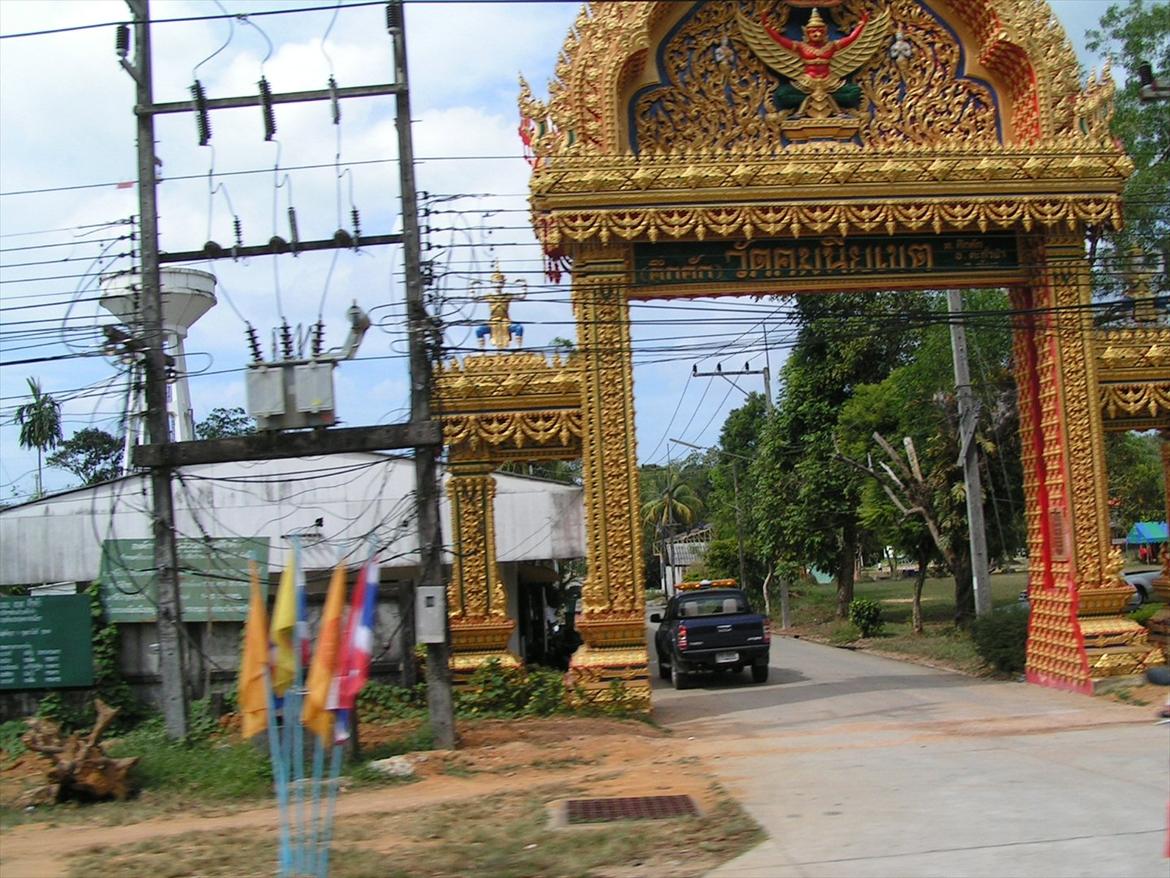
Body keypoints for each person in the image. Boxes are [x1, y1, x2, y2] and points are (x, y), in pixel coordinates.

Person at [761, 7, 871, 89]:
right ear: (807, 33)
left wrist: (862, 24)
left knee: (853, 91)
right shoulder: (801, 47)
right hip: (806, 82)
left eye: (820, 31)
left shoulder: (831, 46)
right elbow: (780, 41)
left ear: (825, 32)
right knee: (783, 95)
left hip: (829, 82)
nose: (817, 34)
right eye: (813, 31)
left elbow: (851, 39)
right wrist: (767, 28)